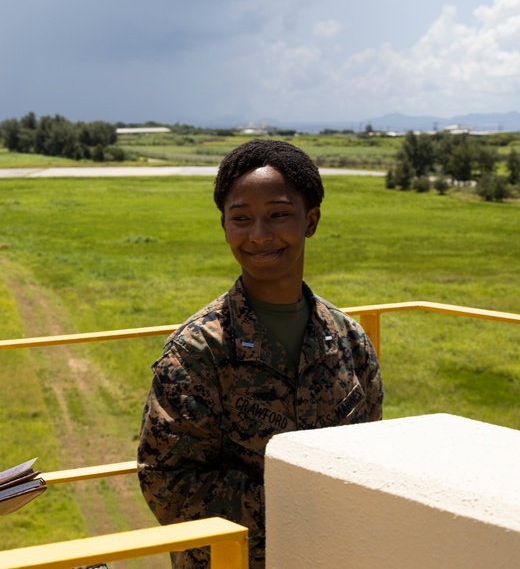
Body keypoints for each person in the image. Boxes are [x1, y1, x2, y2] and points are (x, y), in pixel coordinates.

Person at [137, 139, 383, 569]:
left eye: (279, 215)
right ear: (224, 227)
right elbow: (169, 486)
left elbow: (372, 453)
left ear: (311, 220)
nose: (259, 235)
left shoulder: (350, 340)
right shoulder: (198, 351)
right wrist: (304, 508)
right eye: (241, 219)